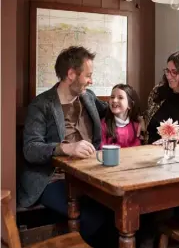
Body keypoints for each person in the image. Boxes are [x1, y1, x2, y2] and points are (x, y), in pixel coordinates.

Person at [18, 46, 111, 247]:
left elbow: (109, 112)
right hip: (52, 178)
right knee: (94, 218)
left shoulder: (89, 97)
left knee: (115, 211)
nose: (91, 81)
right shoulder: (41, 105)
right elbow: (30, 149)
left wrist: (134, 115)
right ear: (71, 74)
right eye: (88, 75)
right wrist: (65, 148)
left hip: (90, 176)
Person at [100, 84, 141, 148]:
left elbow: (137, 148)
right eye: (112, 97)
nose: (114, 100)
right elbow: (101, 148)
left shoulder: (136, 126)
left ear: (130, 105)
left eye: (120, 97)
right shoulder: (103, 125)